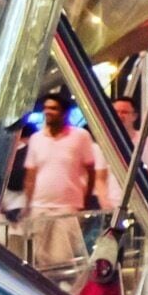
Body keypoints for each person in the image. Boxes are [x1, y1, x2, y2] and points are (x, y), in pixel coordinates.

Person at [23, 88, 107, 270]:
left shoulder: (80, 137)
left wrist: (84, 201)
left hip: (67, 207)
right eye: (46, 108)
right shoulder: (36, 139)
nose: (48, 112)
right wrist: (28, 205)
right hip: (39, 207)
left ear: (64, 113)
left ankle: (60, 294)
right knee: (40, 259)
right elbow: (30, 175)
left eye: (53, 108)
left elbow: (90, 170)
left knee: (62, 258)